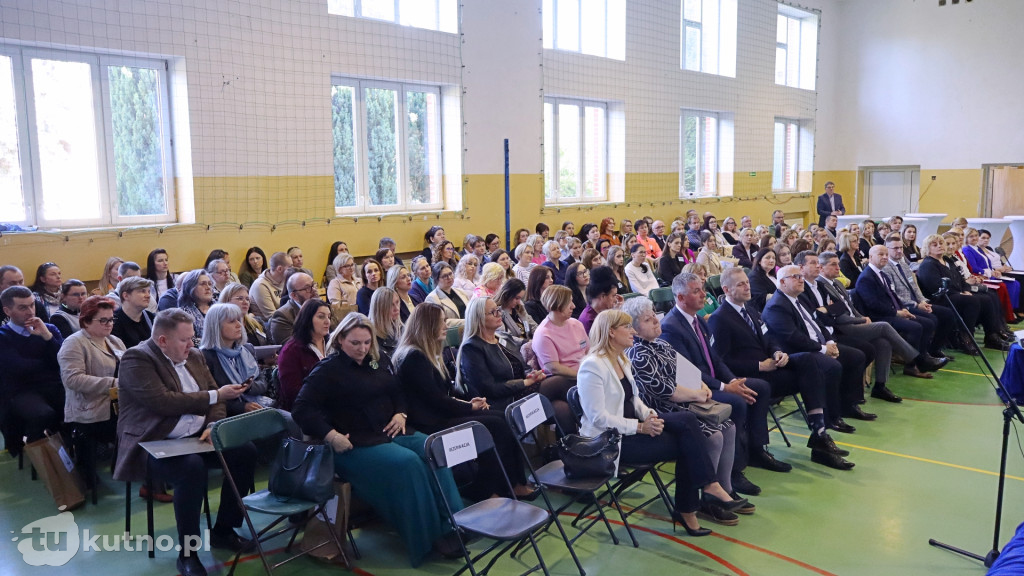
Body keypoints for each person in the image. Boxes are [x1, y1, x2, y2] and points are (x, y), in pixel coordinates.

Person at [292, 313, 462, 566]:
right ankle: (429, 539)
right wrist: (331, 435)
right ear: (340, 340)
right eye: (355, 343)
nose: (362, 349)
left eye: (366, 343)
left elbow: (399, 392)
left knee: (434, 448)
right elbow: (301, 409)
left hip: (390, 432)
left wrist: (401, 413)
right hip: (353, 444)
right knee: (408, 464)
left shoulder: (378, 360)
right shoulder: (327, 371)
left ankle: (456, 523)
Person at [578, 309, 748, 535]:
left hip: (634, 425)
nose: (632, 331)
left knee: (688, 423)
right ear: (611, 333)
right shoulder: (592, 366)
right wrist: (640, 426)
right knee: (688, 444)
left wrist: (649, 415)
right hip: (610, 440)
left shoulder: (621, 358)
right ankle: (693, 504)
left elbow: (634, 399)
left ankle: (708, 489)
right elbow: (598, 417)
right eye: (627, 327)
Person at [113, 308, 255, 576]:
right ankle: (187, 554)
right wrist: (214, 395)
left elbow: (217, 401)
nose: (192, 344)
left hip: (196, 436)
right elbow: (163, 402)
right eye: (185, 339)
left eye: (193, 337)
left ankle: (224, 529)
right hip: (153, 442)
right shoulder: (137, 358)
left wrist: (213, 424)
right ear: (163, 340)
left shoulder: (196, 356)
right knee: (190, 468)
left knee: (245, 452)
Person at [708, 268, 853, 470]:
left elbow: (769, 339)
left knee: (809, 361)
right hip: (751, 374)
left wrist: (777, 352)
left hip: (771, 367)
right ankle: (758, 451)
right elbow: (722, 361)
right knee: (773, 383)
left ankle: (819, 432)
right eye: (740, 284)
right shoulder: (719, 318)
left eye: (747, 282)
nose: (747, 286)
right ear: (726, 289)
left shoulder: (750, 310)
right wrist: (759, 365)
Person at [623, 298, 750, 524]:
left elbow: (688, 371)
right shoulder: (637, 353)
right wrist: (697, 395)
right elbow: (664, 390)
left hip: (685, 404)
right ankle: (706, 500)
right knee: (714, 434)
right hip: (660, 410)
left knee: (728, 426)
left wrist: (702, 387)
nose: (655, 319)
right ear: (634, 328)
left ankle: (726, 491)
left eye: (654, 313)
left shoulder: (662, 344)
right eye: (647, 319)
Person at [394, 303, 536, 499]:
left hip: (440, 414)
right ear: (427, 326)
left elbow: (449, 390)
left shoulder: (427, 353)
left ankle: (513, 482)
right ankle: (491, 488)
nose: (445, 326)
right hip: (429, 423)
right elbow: (436, 400)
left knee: (501, 417)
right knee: (495, 424)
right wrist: (470, 407)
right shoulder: (414, 357)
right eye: (441, 322)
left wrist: (472, 400)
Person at [659, 273, 779, 491]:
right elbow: (688, 372)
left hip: (713, 382)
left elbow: (715, 358)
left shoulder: (698, 322)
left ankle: (756, 448)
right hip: (695, 390)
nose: (704, 295)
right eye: (696, 291)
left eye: (702, 289)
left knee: (759, 387)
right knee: (737, 402)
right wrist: (725, 387)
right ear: (680, 297)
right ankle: (733, 471)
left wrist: (733, 380)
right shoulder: (671, 327)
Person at [762, 266, 874, 425]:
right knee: (832, 366)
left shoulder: (799, 298)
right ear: (782, 282)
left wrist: (830, 342)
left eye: (801, 276)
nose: (801, 280)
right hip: (796, 352)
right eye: (796, 277)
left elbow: (818, 322)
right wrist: (823, 349)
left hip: (817, 344)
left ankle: (848, 405)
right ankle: (831, 417)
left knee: (858, 356)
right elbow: (793, 338)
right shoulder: (777, 306)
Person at [816, 251, 948, 386]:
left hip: (858, 321)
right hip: (845, 327)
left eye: (838, 264)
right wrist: (861, 320)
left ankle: (880, 386)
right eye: (833, 265)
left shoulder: (837, 283)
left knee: (883, 343)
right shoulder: (821, 285)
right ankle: (918, 360)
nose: (838, 267)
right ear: (821, 267)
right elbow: (837, 316)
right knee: (885, 326)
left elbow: (850, 308)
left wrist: (862, 317)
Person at [459, 296, 579, 436]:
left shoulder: (501, 338)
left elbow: (515, 370)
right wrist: (525, 382)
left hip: (519, 392)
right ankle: (594, 421)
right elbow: (489, 388)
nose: (500, 314)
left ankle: (569, 451)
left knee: (562, 408)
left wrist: (529, 376)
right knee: (560, 381)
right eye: (493, 312)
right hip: (503, 402)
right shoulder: (472, 348)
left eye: (498, 310)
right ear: (478, 318)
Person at [57, 295, 125, 491]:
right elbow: (73, 380)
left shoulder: (115, 341)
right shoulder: (74, 343)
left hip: (117, 406)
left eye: (111, 319)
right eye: (103, 320)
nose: (109, 324)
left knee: (144, 421)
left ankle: (137, 470)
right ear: (85, 321)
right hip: (89, 409)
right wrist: (114, 383)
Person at [0, 285, 65, 456]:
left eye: (32, 305)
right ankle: (37, 453)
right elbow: (18, 367)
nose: (30, 311)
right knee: (43, 414)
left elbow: (64, 361)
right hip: (21, 390)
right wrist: (47, 362)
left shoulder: (49, 329)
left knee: (78, 408)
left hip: (53, 385)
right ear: (7, 311)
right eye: (23, 307)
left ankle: (71, 452)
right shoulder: (3, 336)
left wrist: (47, 337)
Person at [917, 234, 1011, 352]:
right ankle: (965, 337)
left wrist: (966, 289)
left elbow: (961, 279)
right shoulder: (928, 264)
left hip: (956, 293)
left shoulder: (948, 260)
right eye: (935, 245)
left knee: (987, 298)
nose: (939, 246)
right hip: (941, 297)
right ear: (927, 248)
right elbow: (935, 288)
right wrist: (961, 293)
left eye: (941, 243)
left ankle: (991, 336)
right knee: (972, 300)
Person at [883, 235, 959, 359]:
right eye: (895, 248)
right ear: (887, 249)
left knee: (948, 314)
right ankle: (921, 355)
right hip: (904, 305)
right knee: (931, 319)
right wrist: (917, 305)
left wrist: (923, 301)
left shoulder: (902, 264)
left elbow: (915, 287)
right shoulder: (886, 268)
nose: (899, 251)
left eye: (901, 248)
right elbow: (893, 295)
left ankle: (934, 349)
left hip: (917, 302)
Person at [199, 303, 274, 417]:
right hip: (230, 416)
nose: (239, 325)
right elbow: (210, 396)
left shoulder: (247, 349)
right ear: (216, 326)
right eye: (232, 321)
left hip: (259, 403)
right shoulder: (205, 356)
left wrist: (248, 388)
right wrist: (241, 407)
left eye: (238, 320)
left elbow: (263, 382)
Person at [276, 299, 332, 411]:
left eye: (329, 317)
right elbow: (293, 393)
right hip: (307, 409)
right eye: (321, 317)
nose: (327, 322)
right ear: (307, 319)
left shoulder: (333, 343)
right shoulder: (291, 351)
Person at [268, 272, 316, 345]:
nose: (314, 290)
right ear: (294, 296)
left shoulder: (322, 308)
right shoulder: (282, 316)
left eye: (313, 285)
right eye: (307, 288)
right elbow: (291, 348)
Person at [218, 282, 269, 347]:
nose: (245, 302)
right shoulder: (221, 326)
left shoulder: (257, 322)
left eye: (247, 299)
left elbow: (270, 344)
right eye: (240, 298)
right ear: (227, 300)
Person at [112, 277, 157, 348]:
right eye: (142, 291)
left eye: (149, 292)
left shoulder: (152, 318)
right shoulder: (113, 321)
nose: (148, 296)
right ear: (126, 296)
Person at [177, 269, 216, 346]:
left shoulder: (220, 308)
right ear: (191, 288)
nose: (208, 287)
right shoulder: (183, 314)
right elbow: (191, 341)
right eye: (203, 284)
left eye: (210, 284)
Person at [424, 262, 469, 328]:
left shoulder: (461, 292)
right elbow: (440, 321)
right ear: (436, 279)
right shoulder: (432, 298)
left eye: (450, 274)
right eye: (444, 276)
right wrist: (467, 321)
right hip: (450, 334)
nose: (449, 277)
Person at [248, 251, 289, 323]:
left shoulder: (286, 280)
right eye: (290, 267)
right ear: (279, 269)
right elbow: (272, 317)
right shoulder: (260, 285)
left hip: (284, 320)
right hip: (267, 325)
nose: (293, 269)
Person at [368, 287, 403, 358]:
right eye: (391, 305)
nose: (397, 308)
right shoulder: (369, 337)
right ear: (380, 308)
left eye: (397, 302)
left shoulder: (402, 330)